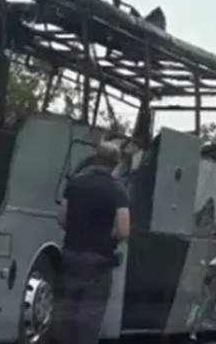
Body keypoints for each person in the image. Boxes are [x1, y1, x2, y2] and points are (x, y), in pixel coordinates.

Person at [54, 142, 131, 344]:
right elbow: (123, 230)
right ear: (116, 164)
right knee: (90, 316)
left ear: (95, 158)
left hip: (71, 254)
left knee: (67, 309)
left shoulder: (75, 183)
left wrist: (78, 232)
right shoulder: (118, 190)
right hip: (99, 260)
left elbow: (61, 218)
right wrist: (110, 237)